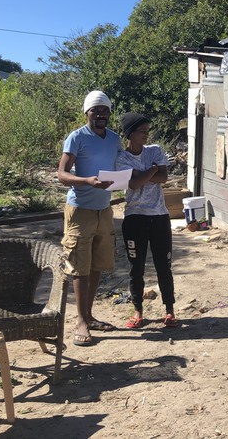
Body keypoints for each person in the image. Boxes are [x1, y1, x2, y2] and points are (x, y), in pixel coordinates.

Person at [57, 91, 122, 346]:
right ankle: (81, 321)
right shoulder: (76, 137)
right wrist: (87, 181)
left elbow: (118, 168)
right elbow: (61, 175)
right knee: (79, 267)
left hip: (104, 210)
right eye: (95, 111)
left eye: (104, 110)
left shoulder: (114, 139)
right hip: (80, 210)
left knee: (96, 265)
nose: (100, 115)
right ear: (87, 113)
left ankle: (90, 315)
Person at [115, 112, 178, 329]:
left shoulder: (155, 150)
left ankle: (169, 310)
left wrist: (145, 175)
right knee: (136, 267)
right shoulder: (122, 158)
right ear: (130, 134)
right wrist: (152, 169)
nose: (146, 136)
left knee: (164, 265)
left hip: (159, 216)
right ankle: (137, 311)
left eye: (147, 131)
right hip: (134, 218)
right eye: (142, 132)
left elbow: (163, 177)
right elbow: (133, 185)